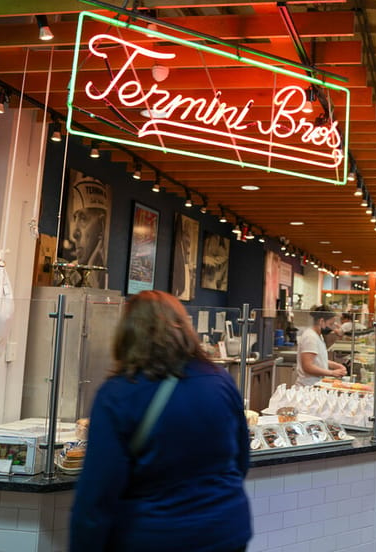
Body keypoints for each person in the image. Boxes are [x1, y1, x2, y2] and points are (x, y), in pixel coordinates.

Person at [69, 290, 251, 552]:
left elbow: (97, 495)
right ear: (184, 327)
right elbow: (241, 460)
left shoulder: (118, 394)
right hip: (226, 530)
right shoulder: (220, 380)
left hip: (156, 535)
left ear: (128, 334)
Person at [296, 304, 347, 386]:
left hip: (316, 384)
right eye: (330, 324)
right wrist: (332, 373)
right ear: (321, 321)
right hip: (307, 386)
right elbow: (308, 366)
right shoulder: (310, 337)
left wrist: (337, 366)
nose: (331, 328)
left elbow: (319, 359)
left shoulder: (319, 336)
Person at [172, 215, 198, 300]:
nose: (189, 245)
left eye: (189, 241)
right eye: (187, 241)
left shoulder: (186, 263)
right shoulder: (179, 252)